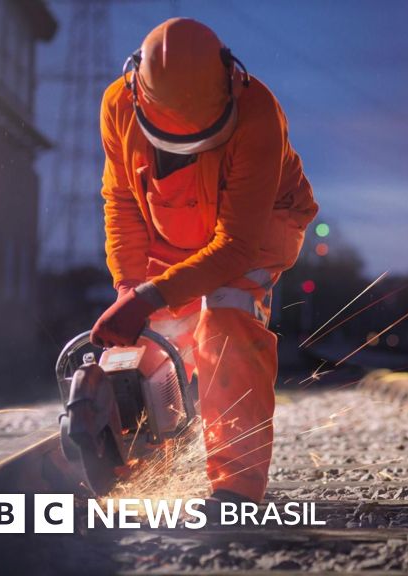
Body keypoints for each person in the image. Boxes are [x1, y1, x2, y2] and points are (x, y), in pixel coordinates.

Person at [89, 18, 318, 504]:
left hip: (258, 228)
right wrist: (131, 287)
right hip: (172, 226)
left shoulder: (258, 115)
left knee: (226, 319)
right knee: (148, 338)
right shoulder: (117, 105)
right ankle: (138, 463)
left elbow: (235, 245)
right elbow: (122, 202)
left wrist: (151, 293)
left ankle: (236, 489)